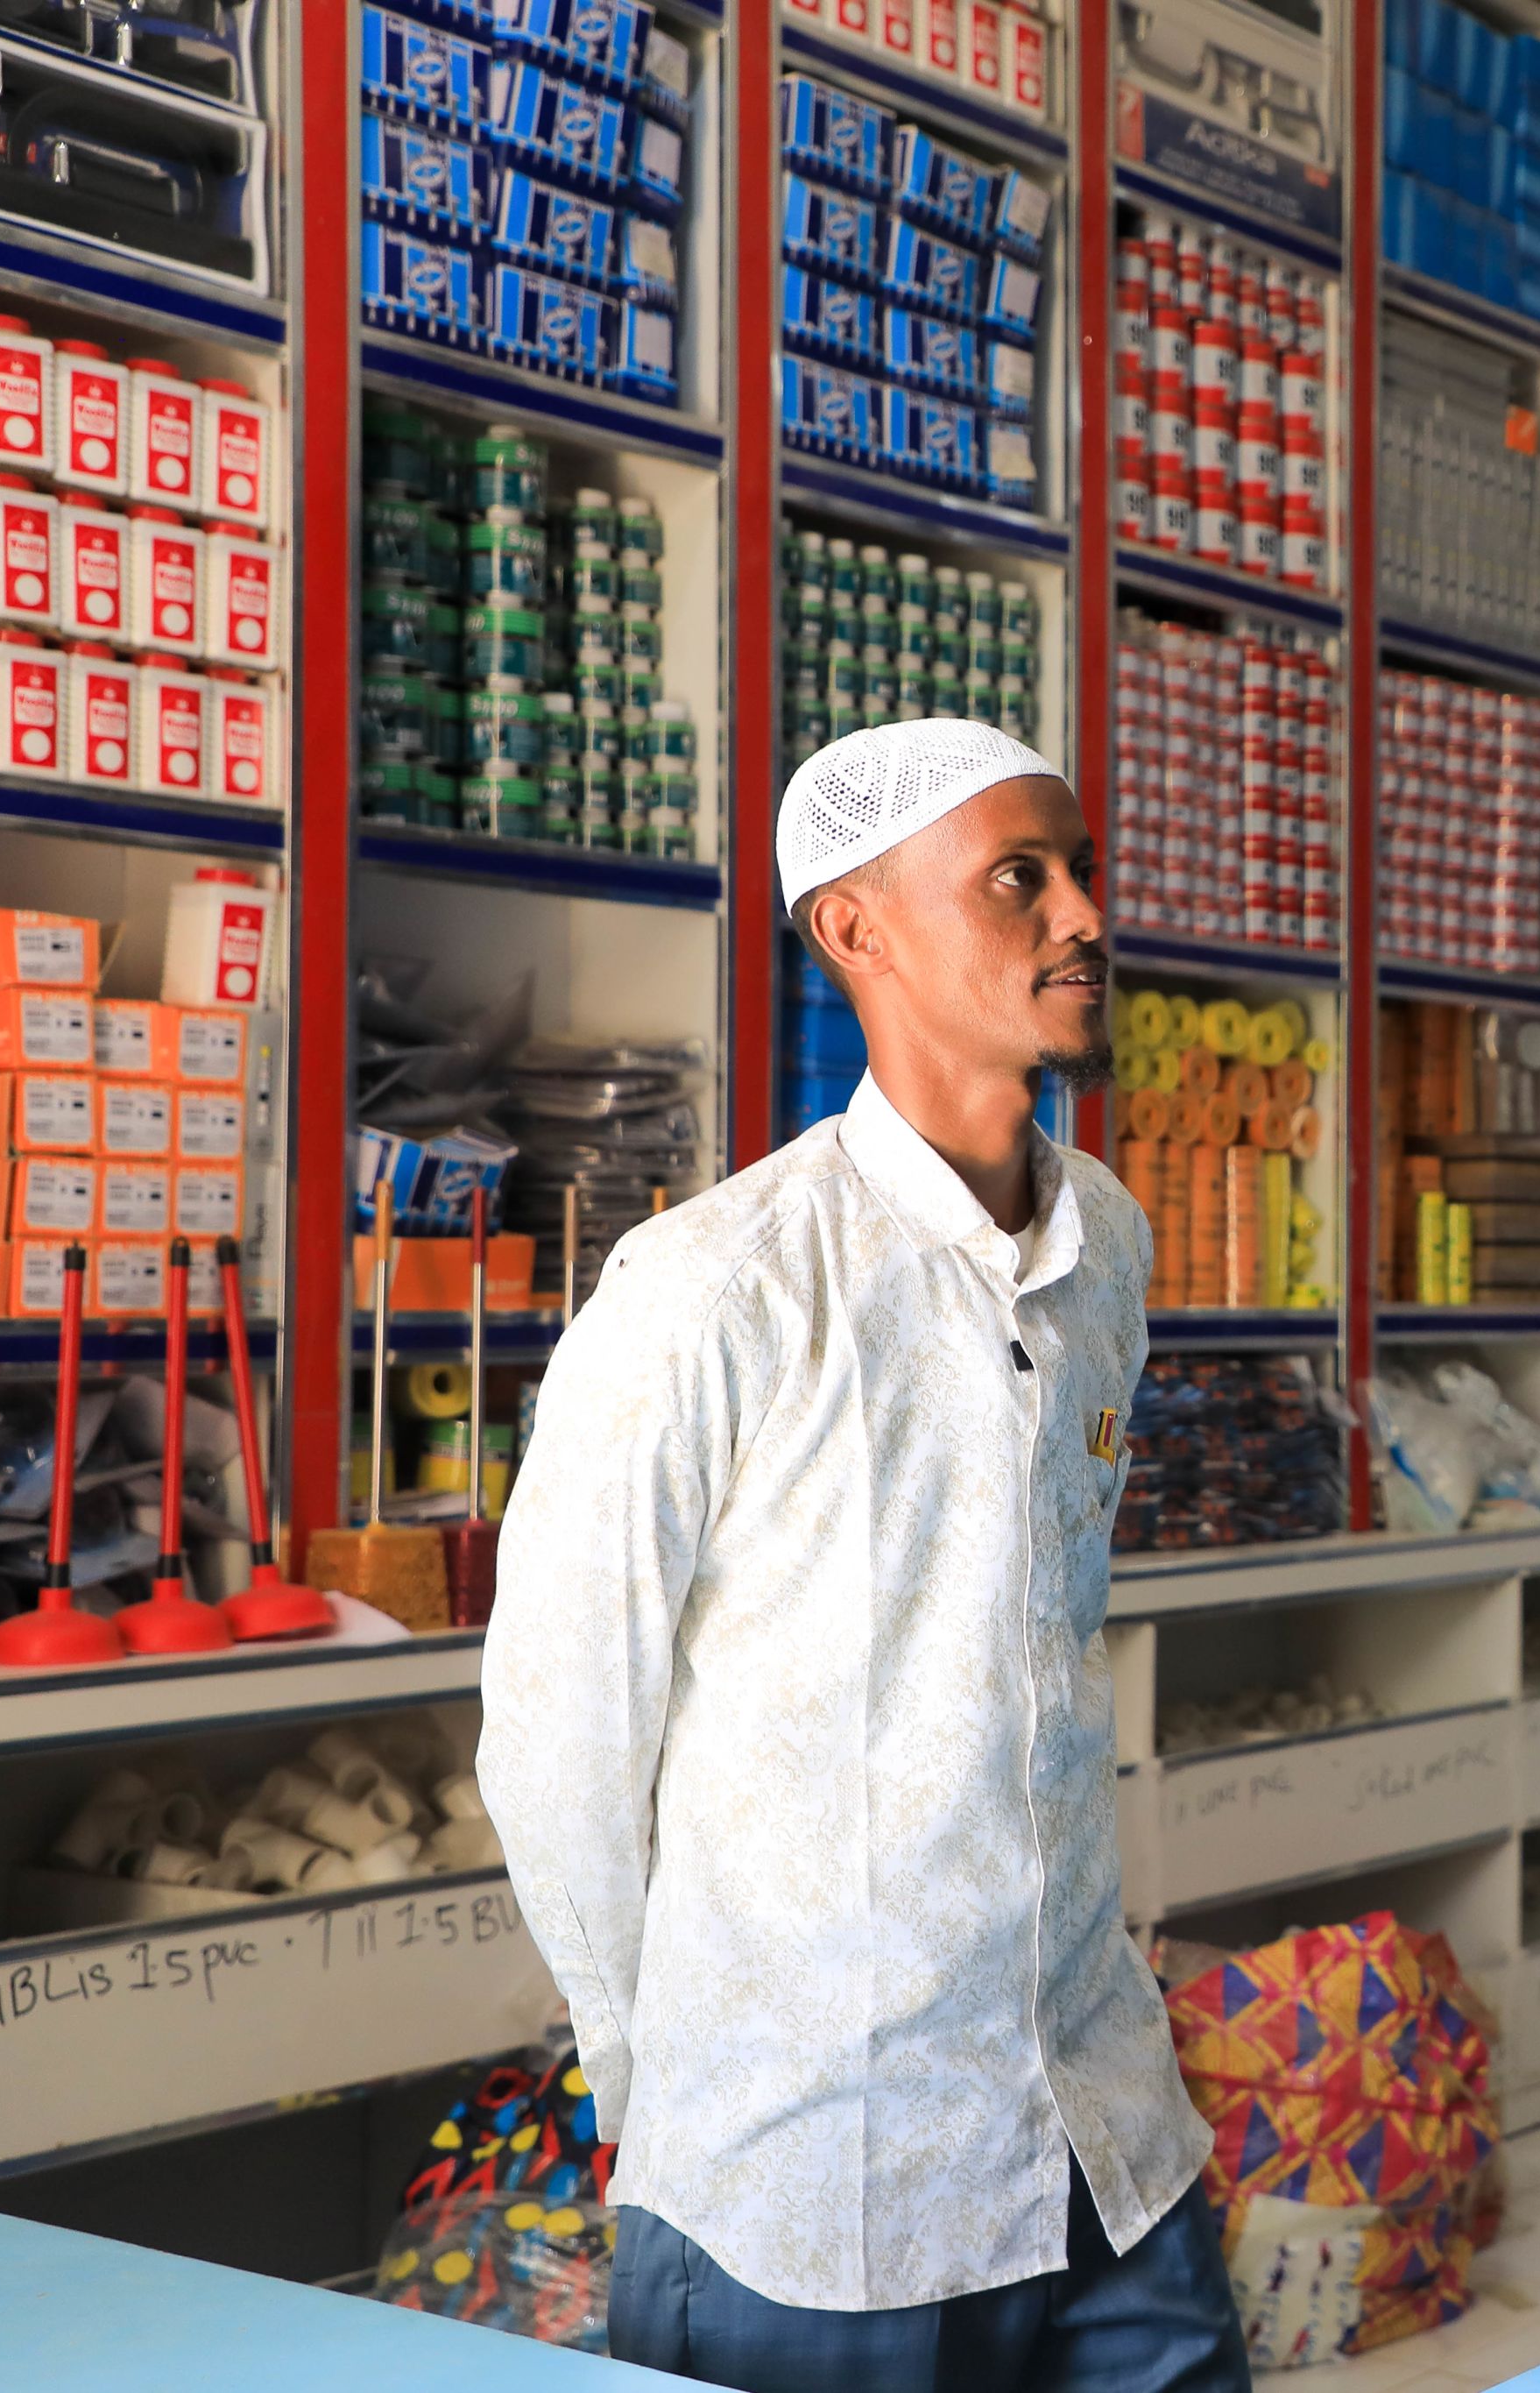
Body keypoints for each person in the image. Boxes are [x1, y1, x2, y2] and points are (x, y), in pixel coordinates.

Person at [482, 720, 1246, 2393]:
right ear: (858, 930)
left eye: (1082, 871)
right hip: (816, 2186)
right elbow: (559, 1740)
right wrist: (657, 2080)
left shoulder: (1102, 1241)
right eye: (1017, 881)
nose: (1081, 918)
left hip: (1103, 2135)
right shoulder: (716, 1289)